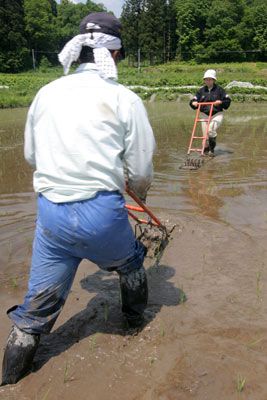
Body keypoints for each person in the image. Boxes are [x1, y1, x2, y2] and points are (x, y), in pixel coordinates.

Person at [1, 12, 156, 385]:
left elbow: (31, 157)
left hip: (51, 215)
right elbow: (141, 169)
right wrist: (137, 193)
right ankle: (136, 327)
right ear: (115, 54)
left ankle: (8, 381)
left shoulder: (45, 93)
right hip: (102, 213)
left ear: (80, 51)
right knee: (132, 262)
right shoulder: (124, 98)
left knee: (36, 310)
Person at [189, 69, 231, 156]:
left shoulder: (220, 90)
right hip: (204, 114)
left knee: (211, 130)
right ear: (204, 80)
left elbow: (227, 100)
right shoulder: (201, 91)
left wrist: (221, 102)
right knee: (205, 136)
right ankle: (206, 149)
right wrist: (193, 103)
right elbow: (194, 100)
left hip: (216, 114)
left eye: (210, 79)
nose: (208, 81)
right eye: (206, 79)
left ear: (214, 80)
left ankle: (212, 150)